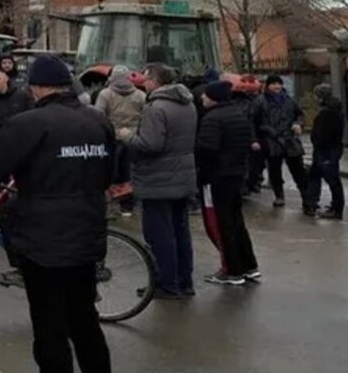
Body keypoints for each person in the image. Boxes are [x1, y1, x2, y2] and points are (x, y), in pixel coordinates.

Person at [0, 56, 118, 373]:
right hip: (87, 235)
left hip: (43, 242)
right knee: (85, 323)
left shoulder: (29, 123)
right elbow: (107, 172)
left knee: (50, 332)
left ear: (36, 87)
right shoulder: (97, 121)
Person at [124, 63, 197, 299]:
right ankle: (185, 282)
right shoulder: (188, 104)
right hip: (182, 177)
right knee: (180, 232)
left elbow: (150, 145)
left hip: (158, 180)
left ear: (155, 80)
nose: (143, 82)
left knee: (159, 235)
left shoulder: (155, 108)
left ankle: (167, 284)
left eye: (145, 78)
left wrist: (128, 137)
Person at [196, 80, 259, 286]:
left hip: (216, 177)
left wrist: (201, 172)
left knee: (220, 224)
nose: (202, 98)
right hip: (236, 173)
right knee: (236, 221)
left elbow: (206, 150)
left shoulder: (212, 119)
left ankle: (231, 269)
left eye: (206, 95)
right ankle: (248, 265)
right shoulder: (238, 114)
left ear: (214, 97)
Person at [95, 65, 146, 216]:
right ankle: (128, 205)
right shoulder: (140, 95)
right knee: (130, 172)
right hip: (133, 137)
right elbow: (147, 116)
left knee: (112, 172)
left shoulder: (105, 94)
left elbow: (99, 115)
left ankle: (111, 204)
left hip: (112, 138)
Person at [252, 75, 306, 207]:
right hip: (271, 140)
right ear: (268, 86)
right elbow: (252, 122)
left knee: (298, 170)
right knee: (275, 171)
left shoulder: (289, 100)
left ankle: (307, 198)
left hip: (289, 139)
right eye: (273, 84)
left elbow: (299, 114)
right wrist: (254, 140)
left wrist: (298, 124)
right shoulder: (260, 101)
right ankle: (279, 195)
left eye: (279, 84)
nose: (277, 86)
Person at [304, 84, 346, 220]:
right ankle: (312, 203)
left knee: (332, 180)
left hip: (326, 151)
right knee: (315, 175)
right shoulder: (335, 109)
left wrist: (316, 141)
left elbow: (323, 134)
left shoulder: (327, 112)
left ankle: (336, 209)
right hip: (330, 149)